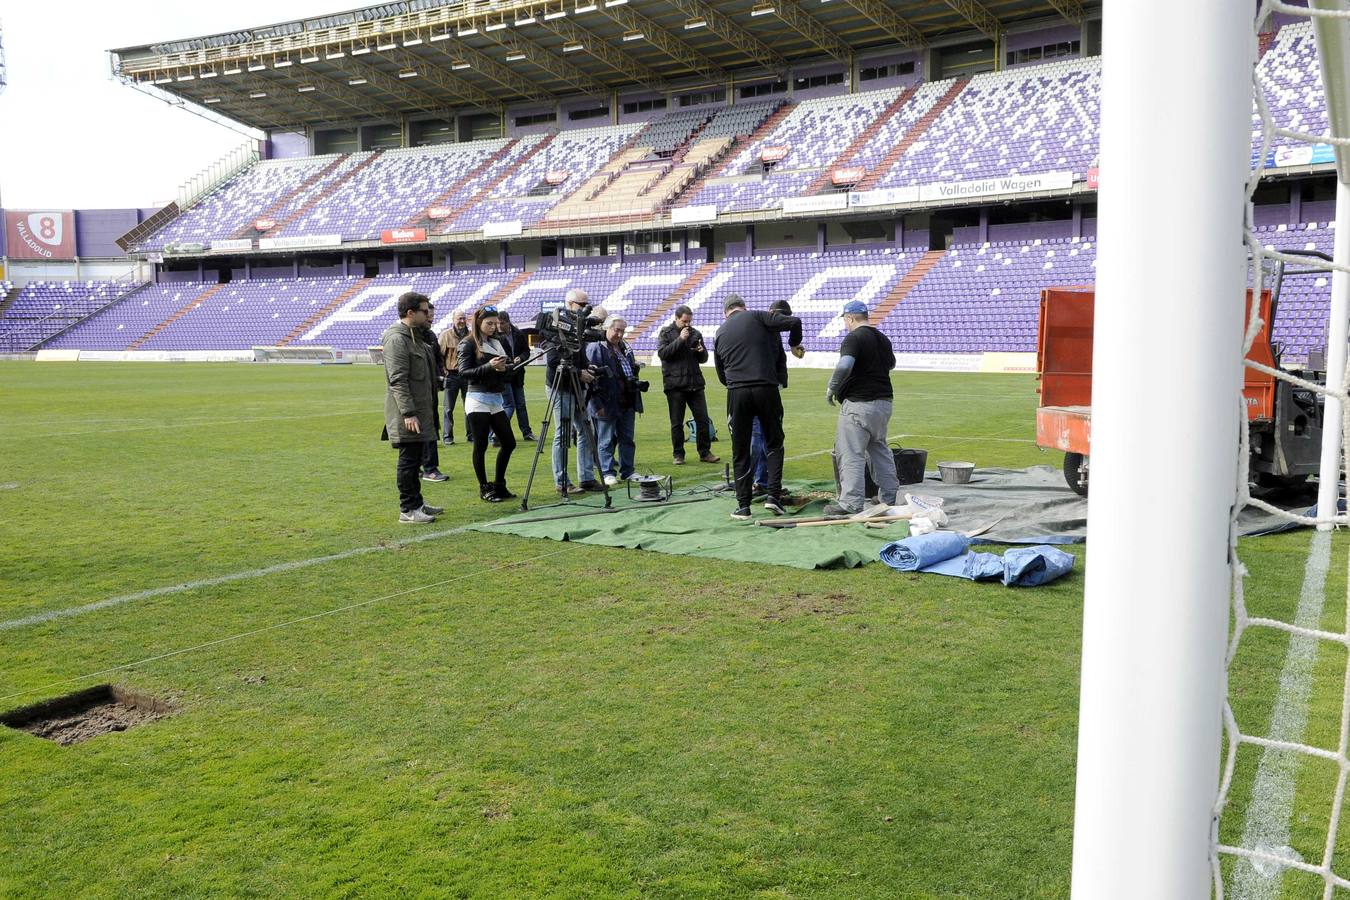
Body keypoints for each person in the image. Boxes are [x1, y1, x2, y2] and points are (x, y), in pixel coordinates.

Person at [713, 293, 803, 520]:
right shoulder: (757, 317)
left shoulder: (720, 332)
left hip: (737, 392)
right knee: (774, 443)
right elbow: (794, 322)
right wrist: (794, 343)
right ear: (744, 306)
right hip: (766, 388)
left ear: (726, 312)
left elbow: (721, 373)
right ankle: (773, 497)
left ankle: (743, 506)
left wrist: (736, 382)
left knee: (740, 450)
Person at [824, 300, 899, 516]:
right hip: (884, 402)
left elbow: (845, 364)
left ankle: (850, 503)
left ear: (850, 318)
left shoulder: (854, 337)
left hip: (859, 403)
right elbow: (891, 364)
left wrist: (832, 388)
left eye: (846, 320)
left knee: (851, 454)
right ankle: (889, 497)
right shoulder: (882, 339)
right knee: (879, 448)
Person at [380, 292, 444, 524]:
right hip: (408, 413)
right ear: (410, 313)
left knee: (416, 459)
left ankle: (417, 503)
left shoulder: (416, 337)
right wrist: (408, 412)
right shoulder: (397, 340)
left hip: (421, 410)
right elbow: (398, 379)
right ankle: (408, 510)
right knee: (408, 461)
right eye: (425, 311)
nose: (429, 315)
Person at [539, 287, 602, 496]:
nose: (584, 310)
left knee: (586, 430)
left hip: (577, 386)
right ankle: (562, 480)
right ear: (569, 304)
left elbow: (579, 353)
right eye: (581, 305)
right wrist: (579, 372)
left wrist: (588, 367)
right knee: (563, 433)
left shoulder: (577, 328)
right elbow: (555, 362)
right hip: (561, 386)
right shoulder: (556, 327)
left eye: (586, 306)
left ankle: (586, 477)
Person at [457, 305, 518, 502]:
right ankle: (484, 487)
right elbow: (463, 372)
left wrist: (508, 368)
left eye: (496, 323)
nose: (494, 327)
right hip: (477, 398)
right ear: (478, 323)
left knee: (509, 443)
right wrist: (489, 367)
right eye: (489, 323)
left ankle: (499, 484)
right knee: (481, 444)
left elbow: (503, 370)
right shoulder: (468, 343)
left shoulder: (497, 342)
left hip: (495, 397)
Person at [656, 304, 719, 466]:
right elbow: (663, 354)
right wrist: (680, 339)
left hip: (695, 384)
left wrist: (700, 350)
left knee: (703, 420)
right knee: (677, 423)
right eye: (684, 321)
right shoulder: (666, 333)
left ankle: (705, 452)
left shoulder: (695, 333)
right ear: (676, 318)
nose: (687, 324)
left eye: (689, 321)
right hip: (675, 386)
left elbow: (703, 359)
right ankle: (678, 454)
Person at [586, 315, 643, 485]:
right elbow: (591, 379)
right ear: (606, 328)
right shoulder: (596, 348)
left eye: (622, 331)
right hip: (606, 401)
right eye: (616, 330)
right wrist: (596, 404)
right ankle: (606, 471)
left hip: (626, 400)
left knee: (627, 438)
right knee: (605, 439)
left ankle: (628, 470)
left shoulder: (625, 347)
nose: (619, 334)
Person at [749, 299, 793, 494]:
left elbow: (778, 357)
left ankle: (761, 482)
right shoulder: (764, 331)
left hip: (765, 389)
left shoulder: (769, 331)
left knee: (763, 436)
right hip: (762, 391)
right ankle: (758, 483)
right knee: (763, 437)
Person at [418, 302, 448, 483]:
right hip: (418, 391)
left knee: (430, 427)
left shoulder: (429, 335)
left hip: (431, 390)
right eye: (428, 314)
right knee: (423, 429)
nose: (431, 318)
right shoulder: (409, 337)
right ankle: (428, 468)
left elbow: (437, 357)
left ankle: (427, 467)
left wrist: (439, 374)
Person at [496, 310, 535, 441]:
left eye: (502, 323)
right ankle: (496, 433)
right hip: (504, 375)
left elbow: (526, 351)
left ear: (508, 322)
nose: (499, 326)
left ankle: (526, 432)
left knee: (521, 405)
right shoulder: (496, 337)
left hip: (518, 375)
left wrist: (521, 358)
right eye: (498, 323)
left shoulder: (518, 334)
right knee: (509, 406)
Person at [439, 310, 471, 445]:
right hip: (451, 375)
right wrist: (444, 371)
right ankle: (447, 436)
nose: (462, 321)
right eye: (459, 319)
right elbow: (439, 356)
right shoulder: (446, 335)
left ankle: (471, 435)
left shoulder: (471, 335)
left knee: (469, 407)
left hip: (467, 375)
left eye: (464, 318)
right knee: (448, 408)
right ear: (453, 319)